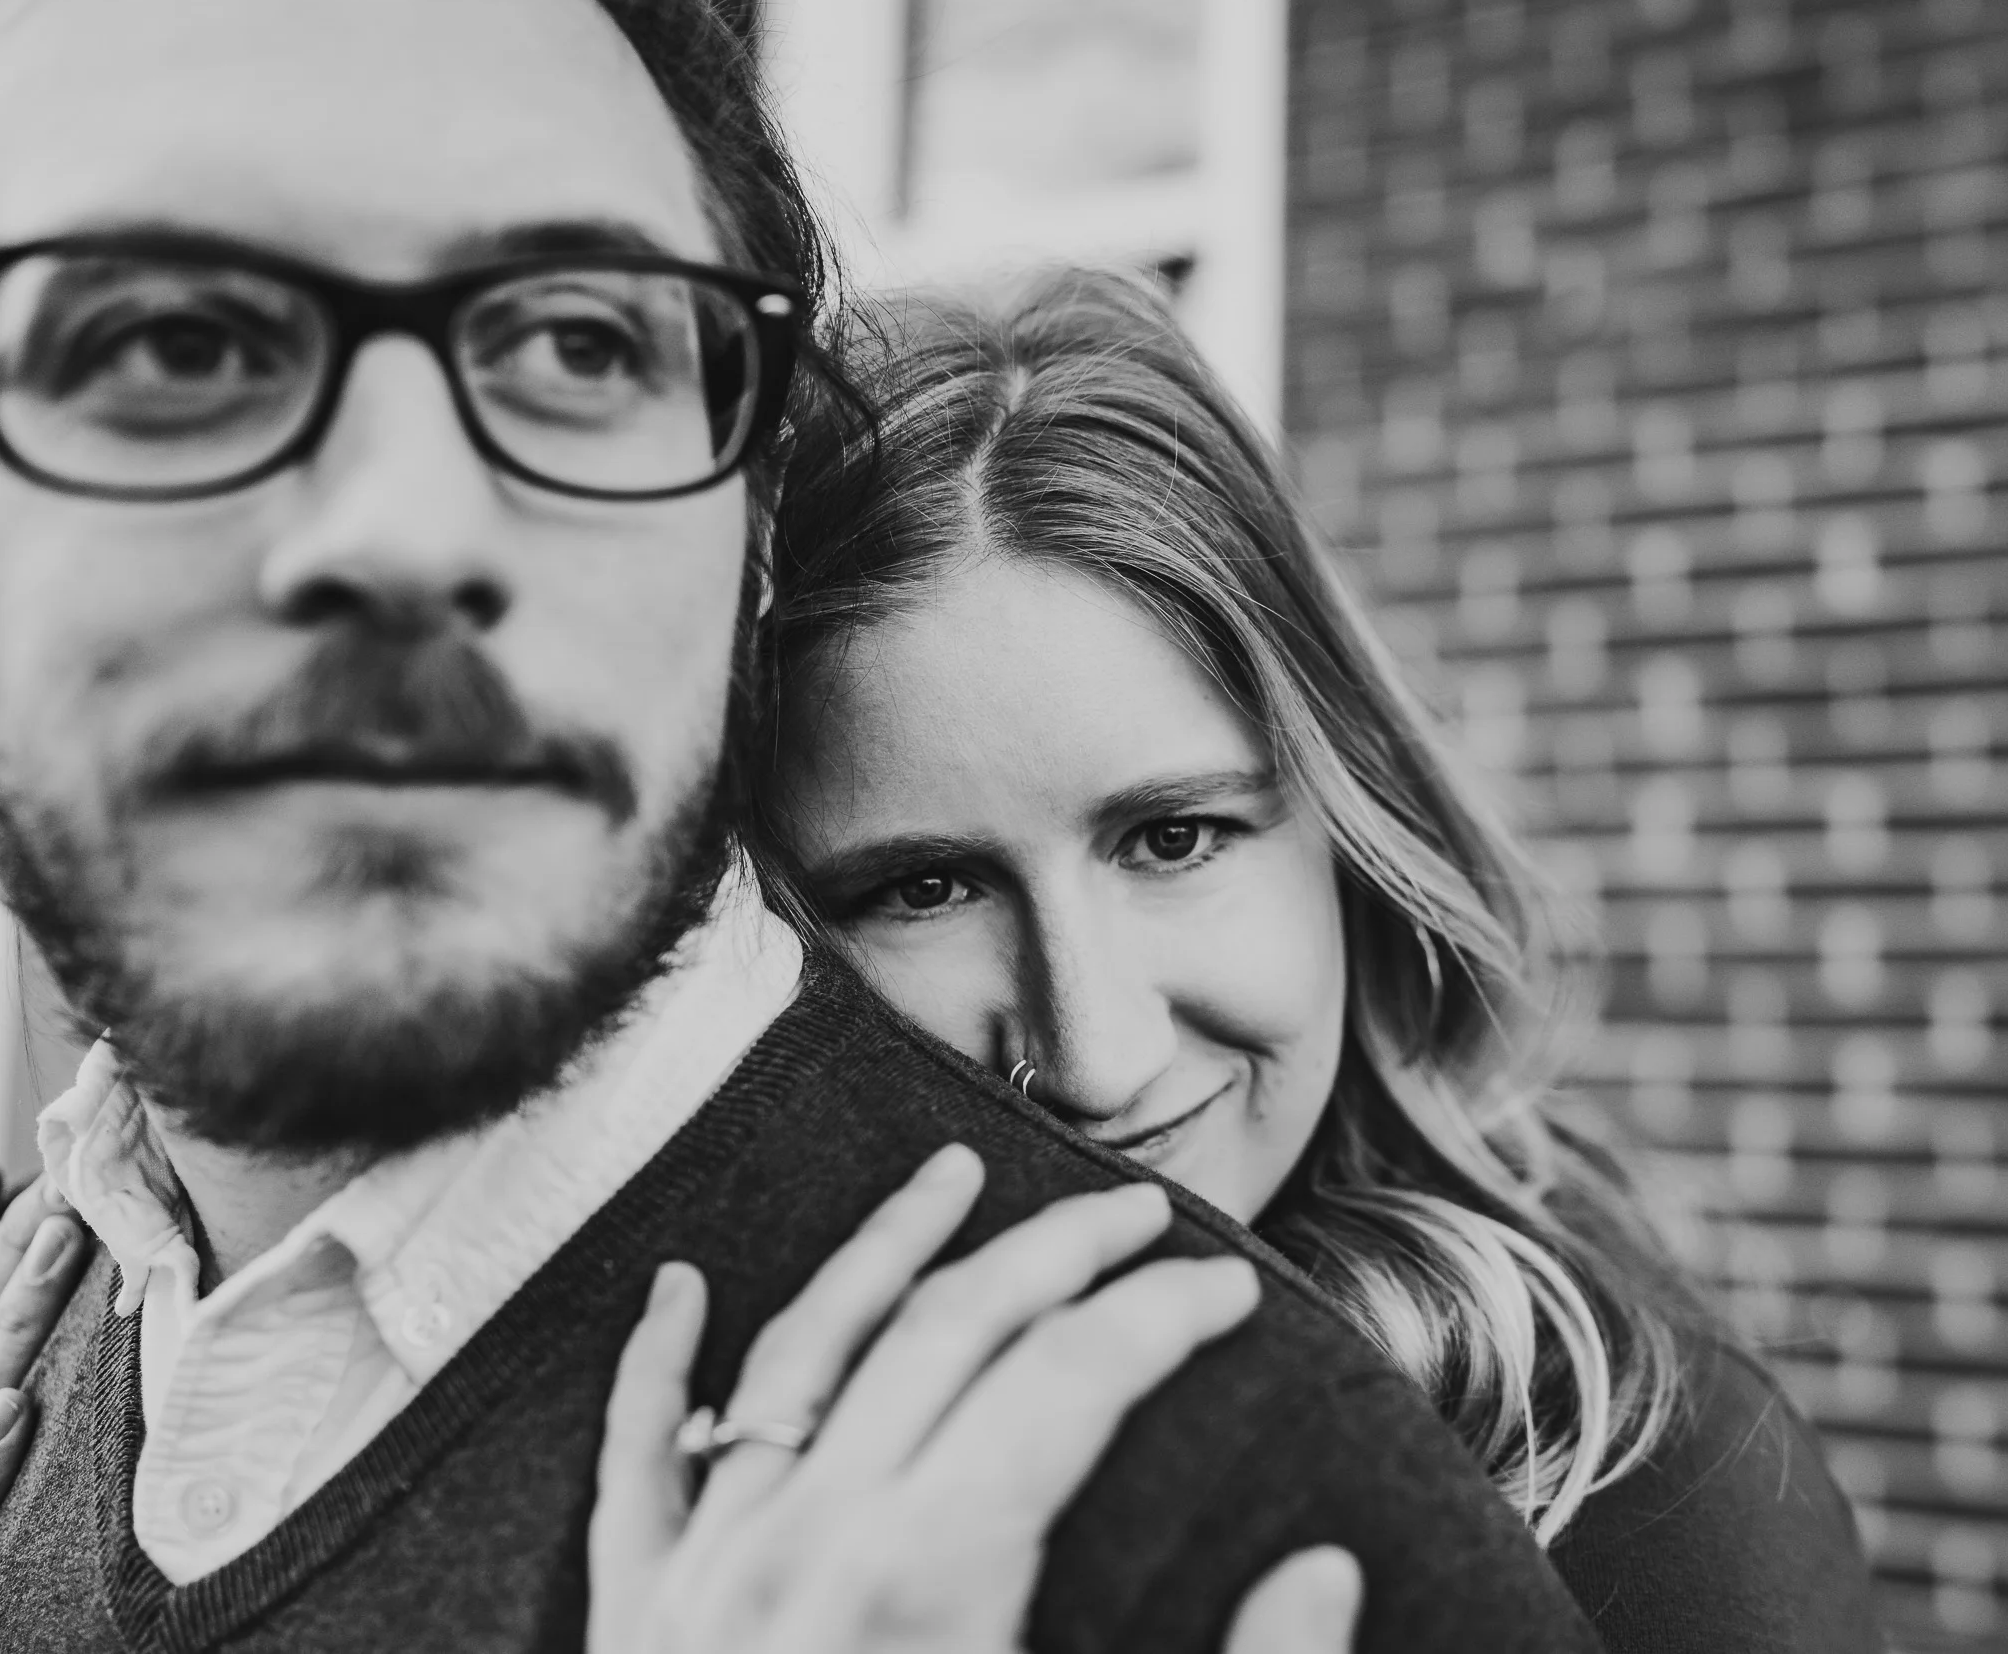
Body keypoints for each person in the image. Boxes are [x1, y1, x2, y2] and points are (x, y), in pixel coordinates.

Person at [0, 0, 1608, 1650]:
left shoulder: (1225, 1533)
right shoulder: (67, 1311)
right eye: (169, 344)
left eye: (578, 346)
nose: (406, 529)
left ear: (754, 531)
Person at [741, 272, 1883, 1651]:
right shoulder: (679, 1433)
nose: (1098, 1059)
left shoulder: (1643, 1508)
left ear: (1349, 831)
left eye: (1174, 838)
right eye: (925, 889)